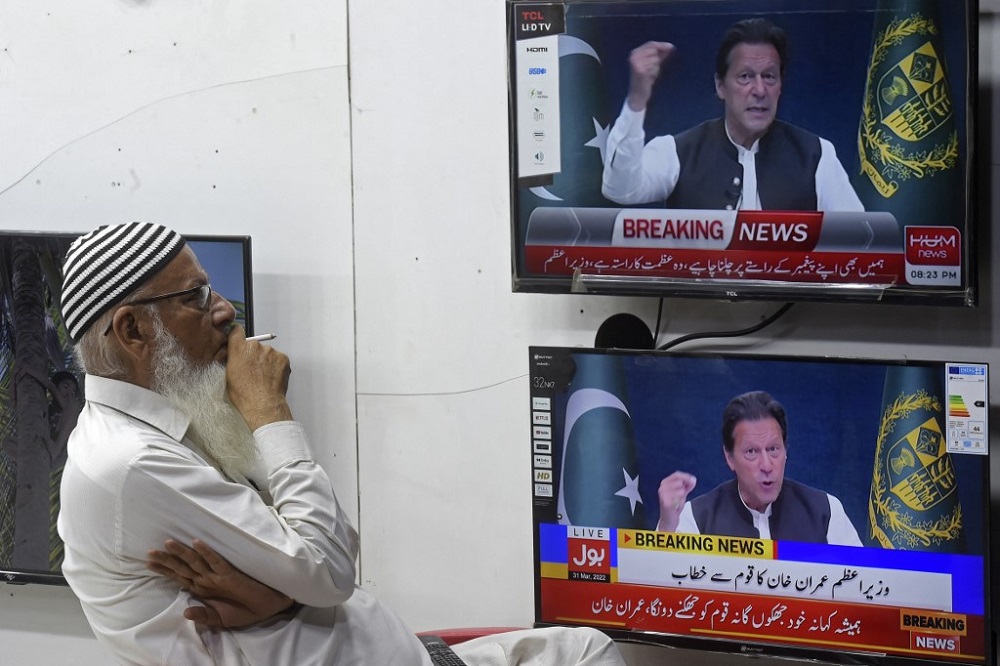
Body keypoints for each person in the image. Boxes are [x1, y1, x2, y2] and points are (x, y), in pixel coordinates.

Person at [56, 221, 625, 665]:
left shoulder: (168, 423)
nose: (226, 311)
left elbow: (331, 550)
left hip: (398, 652)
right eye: (197, 296)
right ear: (133, 331)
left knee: (585, 649)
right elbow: (330, 571)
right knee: (586, 653)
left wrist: (286, 595)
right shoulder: (131, 465)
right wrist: (270, 412)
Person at [601, 17, 864, 212]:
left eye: (769, 77)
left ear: (780, 86)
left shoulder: (816, 154)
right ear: (720, 85)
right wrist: (637, 99)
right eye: (745, 76)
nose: (759, 90)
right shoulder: (678, 151)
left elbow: (860, 239)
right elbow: (620, 189)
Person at [655, 390, 862, 546]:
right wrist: (667, 526)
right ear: (729, 458)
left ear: (786, 450)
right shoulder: (698, 518)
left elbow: (860, 586)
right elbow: (663, 589)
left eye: (773, 449)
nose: (766, 465)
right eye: (751, 452)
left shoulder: (825, 512)